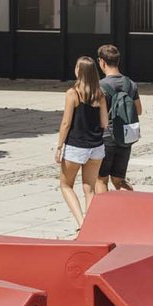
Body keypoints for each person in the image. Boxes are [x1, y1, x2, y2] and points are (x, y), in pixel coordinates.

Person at [54, 56, 110, 228]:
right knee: (89, 188)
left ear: (79, 71)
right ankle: (92, 225)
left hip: (76, 147)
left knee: (66, 185)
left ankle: (81, 222)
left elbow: (66, 123)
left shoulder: (73, 93)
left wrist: (59, 146)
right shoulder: (100, 95)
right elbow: (104, 123)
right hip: (96, 147)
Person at [97, 43, 143, 192]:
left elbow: (97, 115)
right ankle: (130, 207)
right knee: (119, 179)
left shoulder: (100, 86)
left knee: (101, 179)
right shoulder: (130, 84)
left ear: (102, 62)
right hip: (126, 136)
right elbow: (139, 110)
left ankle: (104, 213)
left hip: (106, 137)